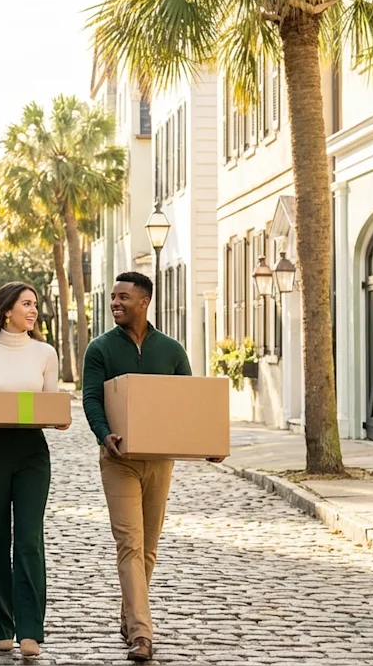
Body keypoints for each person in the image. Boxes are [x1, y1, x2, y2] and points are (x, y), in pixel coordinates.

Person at [81, 272, 224, 662]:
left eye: (123, 297)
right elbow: (91, 399)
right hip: (119, 460)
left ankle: (130, 616)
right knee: (130, 542)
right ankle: (142, 634)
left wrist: (207, 443)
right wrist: (104, 435)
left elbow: (188, 405)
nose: (115, 303)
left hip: (160, 461)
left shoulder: (172, 351)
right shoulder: (100, 349)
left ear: (144, 301)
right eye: (112, 297)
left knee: (148, 548)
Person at [0, 282, 67, 658]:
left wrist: (59, 419)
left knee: (28, 540)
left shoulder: (45, 353)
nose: (34, 310)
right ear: (7, 310)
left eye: (35, 304)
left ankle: (30, 631)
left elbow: (50, 401)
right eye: (26, 304)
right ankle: (0, 626)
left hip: (31, 453)